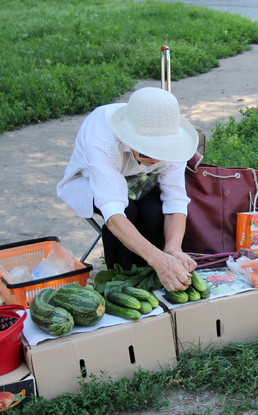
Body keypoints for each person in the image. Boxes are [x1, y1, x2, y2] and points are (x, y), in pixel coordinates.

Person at [57, 87, 199, 292]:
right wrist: (157, 259)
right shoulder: (103, 140)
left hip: (141, 180)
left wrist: (172, 249)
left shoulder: (172, 135)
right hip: (90, 179)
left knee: (153, 213)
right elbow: (114, 215)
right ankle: (121, 283)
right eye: (148, 150)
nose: (157, 158)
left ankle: (155, 280)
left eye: (163, 150)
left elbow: (175, 198)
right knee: (128, 212)